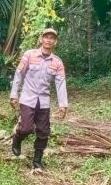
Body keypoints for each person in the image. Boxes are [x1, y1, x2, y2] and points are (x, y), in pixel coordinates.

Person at [9, 28, 68, 172]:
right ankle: (17, 139)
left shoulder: (57, 62)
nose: (48, 40)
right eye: (46, 37)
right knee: (26, 128)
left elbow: (60, 84)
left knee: (43, 131)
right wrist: (14, 95)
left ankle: (37, 160)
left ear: (55, 42)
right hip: (28, 98)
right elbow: (19, 75)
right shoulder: (29, 55)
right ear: (41, 39)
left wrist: (63, 104)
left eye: (52, 38)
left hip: (44, 101)